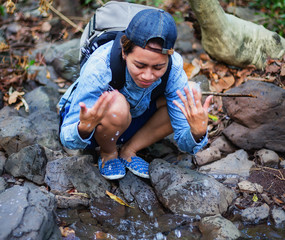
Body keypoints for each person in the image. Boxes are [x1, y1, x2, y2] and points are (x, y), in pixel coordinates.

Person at [58, 8, 212, 180]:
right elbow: (67, 138)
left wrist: (197, 132)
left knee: (189, 93)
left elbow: (185, 143)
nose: (147, 76)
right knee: (117, 104)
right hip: (99, 126)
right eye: (139, 66)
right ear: (124, 52)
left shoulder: (174, 67)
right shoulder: (100, 66)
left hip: (135, 120)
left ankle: (129, 151)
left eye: (158, 67)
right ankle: (108, 153)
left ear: (168, 58)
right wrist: (84, 127)